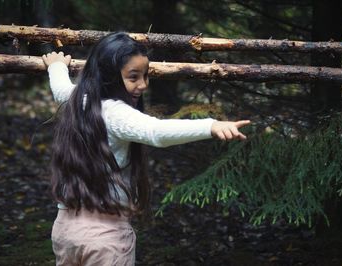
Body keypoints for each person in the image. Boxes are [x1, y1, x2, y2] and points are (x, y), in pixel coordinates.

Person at [42, 32, 250, 266]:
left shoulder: (79, 98)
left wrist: (56, 66)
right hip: (105, 238)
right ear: (109, 77)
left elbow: (60, 89)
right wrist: (211, 125)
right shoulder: (116, 113)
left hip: (65, 230)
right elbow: (156, 132)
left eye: (146, 75)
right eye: (133, 77)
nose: (143, 84)